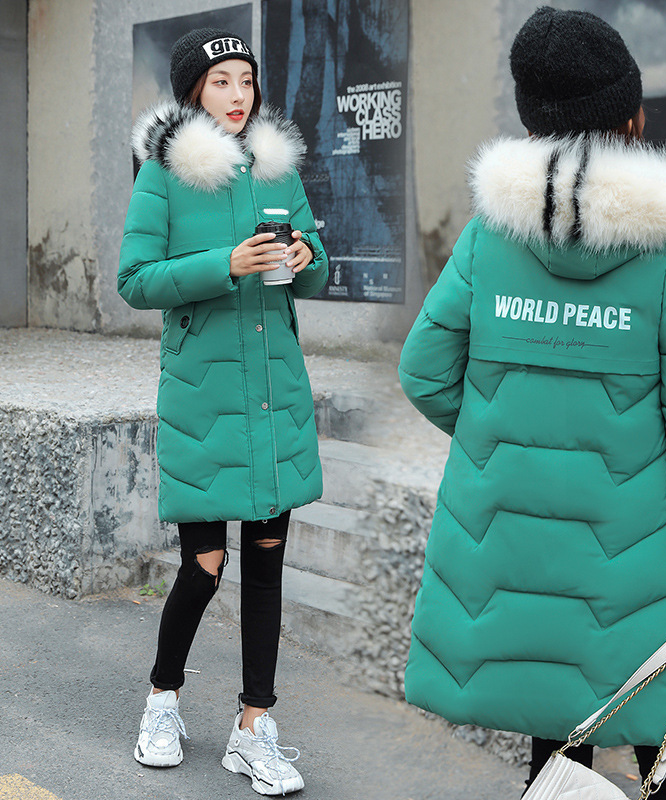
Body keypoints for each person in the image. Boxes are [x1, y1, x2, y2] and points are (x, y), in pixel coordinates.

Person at [397, 7, 666, 799]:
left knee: (555, 733)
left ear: (533, 123)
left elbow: (425, 370)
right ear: (633, 118)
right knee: (663, 743)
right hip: (646, 557)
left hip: (522, 548)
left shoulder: (490, 235)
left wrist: (508, 441)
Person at [118, 27, 328, 796]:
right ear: (193, 92)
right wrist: (225, 264)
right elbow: (135, 279)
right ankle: (162, 701)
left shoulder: (278, 167)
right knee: (204, 566)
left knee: (267, 564)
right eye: (221, 82)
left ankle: (253, 728)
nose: (238, 95)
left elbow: (316, 267)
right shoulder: (164, 174)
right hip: (204, 397)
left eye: (246, 80)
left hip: (274, 393)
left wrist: (306, 257)